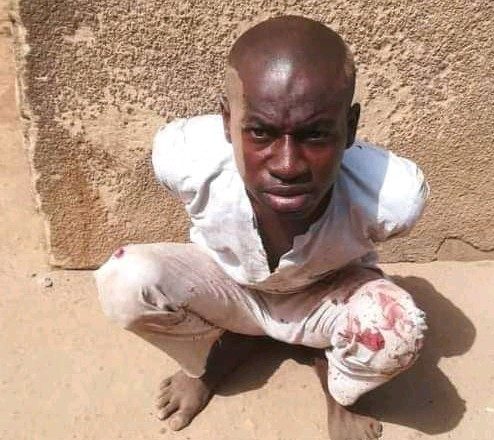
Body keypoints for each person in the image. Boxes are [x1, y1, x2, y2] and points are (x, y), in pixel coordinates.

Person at [94, 15, 428, 440]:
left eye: (315, 135)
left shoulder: (391, 195)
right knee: (126, 281)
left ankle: (336, 385)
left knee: (397, 331)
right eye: (260, 133)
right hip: (228, 286)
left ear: (350, 128)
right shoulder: (185, 157)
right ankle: (210, 360)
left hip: (325, 296)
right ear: (226, 121)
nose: (287, 165)